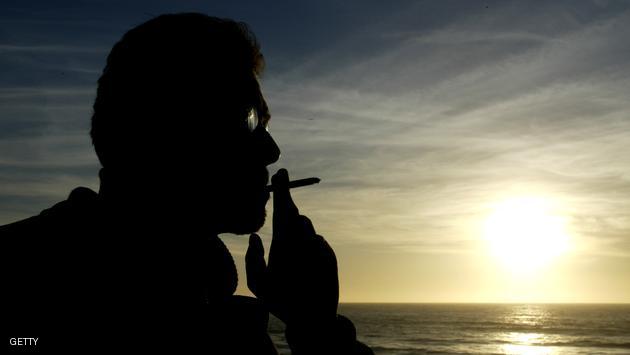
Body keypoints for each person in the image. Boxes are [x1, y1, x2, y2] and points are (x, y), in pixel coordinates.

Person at [1, 13, 373, 355]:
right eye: (248, 120)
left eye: (265, 124)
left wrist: (311, 322)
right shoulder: (22, 282)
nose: (272, 150)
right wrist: (320, 332)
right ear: (162, 128)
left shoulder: (212, 309)